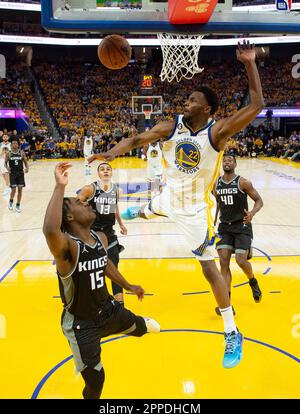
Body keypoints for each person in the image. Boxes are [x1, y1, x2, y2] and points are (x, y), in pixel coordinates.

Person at [88, 41, 264, 369]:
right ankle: (136, 211)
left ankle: (231, 330)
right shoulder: (171, 127)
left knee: (209, 268)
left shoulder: (218, 132)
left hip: (196, 210)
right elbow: (137, 139)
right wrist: (111, 153)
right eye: (187, 98)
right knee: (152, 207)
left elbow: (256, 104)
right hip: (170, 195)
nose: (187, 102)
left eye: (193, 99)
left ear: (208, 109)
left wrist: (250, 63)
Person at [43, 162, 160, 399]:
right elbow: (49, 229)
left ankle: (135, 323)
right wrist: (59, 186)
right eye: (79, 203)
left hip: (108, 310)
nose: (85, 202)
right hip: (82, 324)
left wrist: (128, 285)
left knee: (140, 328)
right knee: (97, 381)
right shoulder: (67, 248)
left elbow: (106, 264)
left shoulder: (100, 237)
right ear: (69, 216)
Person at [213, 154, 263, 316]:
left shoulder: (243, 182)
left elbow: (259, 201)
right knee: (223, 262)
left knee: (241, 260)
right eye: (225, 161)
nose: (227, 162)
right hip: (225, 228)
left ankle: (253, 281)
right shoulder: (216, 184)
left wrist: (252, 213)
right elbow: (217, 205)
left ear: (235, 164)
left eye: (230, 161)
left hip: (241, 226)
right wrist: (212, 223)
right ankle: (227, 304)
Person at [77, 162, 127, 305]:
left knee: (114, 270)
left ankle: (120, 306)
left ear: (111, 172)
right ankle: (93, 302)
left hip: (109, 233)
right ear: (98, 173)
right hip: (92, 235)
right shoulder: (90, 189)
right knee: (93, 270)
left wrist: (121, 224)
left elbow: (115, 207)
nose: (105, 171)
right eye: (102, 169)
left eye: (108, 169)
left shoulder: (116, 190)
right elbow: (75, 205)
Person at [5, 139, 29, 212]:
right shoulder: (9, 153)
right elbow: (5, 163)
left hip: (20, 173)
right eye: (13, 143)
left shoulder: (21, 153)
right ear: (11, 145)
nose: (14, 144)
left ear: (18, 145)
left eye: (16, 143)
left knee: (20, 190)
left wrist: (27, 168)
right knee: (14, 189)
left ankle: (18, 205)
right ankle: (11, 201)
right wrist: (7, 168)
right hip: (12, 173)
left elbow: (25, 162)